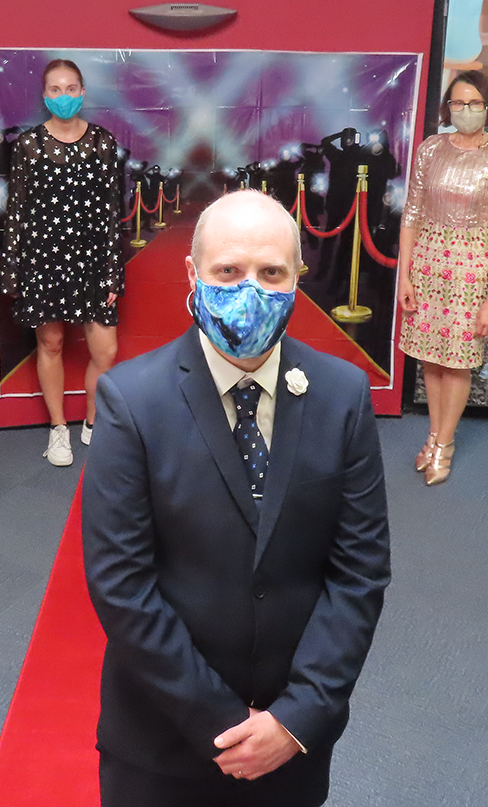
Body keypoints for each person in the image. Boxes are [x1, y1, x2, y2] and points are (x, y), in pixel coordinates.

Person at [83, 190, 391, 807]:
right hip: (161, 740)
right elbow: (121, 584)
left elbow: (359, 573)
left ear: (297, 279)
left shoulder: (342, 395)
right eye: (228, 271)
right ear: (193, 276)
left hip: (293, 740)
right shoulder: (131, 402)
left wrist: (296, 719)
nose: (250, 289)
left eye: (271, 272)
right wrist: (221, 723)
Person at [397, 69, 488, 485]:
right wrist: (406, 276)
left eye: (474, 104)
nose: (465, 110)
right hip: (428, 264)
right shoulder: (430, 150)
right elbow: (411, 213)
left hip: (471, 269)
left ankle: (446, 442)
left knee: (458, 362)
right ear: (447, 108)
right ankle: (433, 435)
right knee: (430, 358)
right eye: (457, 103)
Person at [0, 58, 123, 466]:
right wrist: (13, 269)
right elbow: (15, 210)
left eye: (72, 88)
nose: (64, 96)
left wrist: (111, 270)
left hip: (91, 261)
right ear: (44, 95)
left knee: (104, 351)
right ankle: (57, 430)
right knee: (50, 343)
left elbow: (111, 212)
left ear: (83, 93)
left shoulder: (104, 143)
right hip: (43, 259)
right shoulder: (28, 146)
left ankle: (92, 421)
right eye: (55, 89)